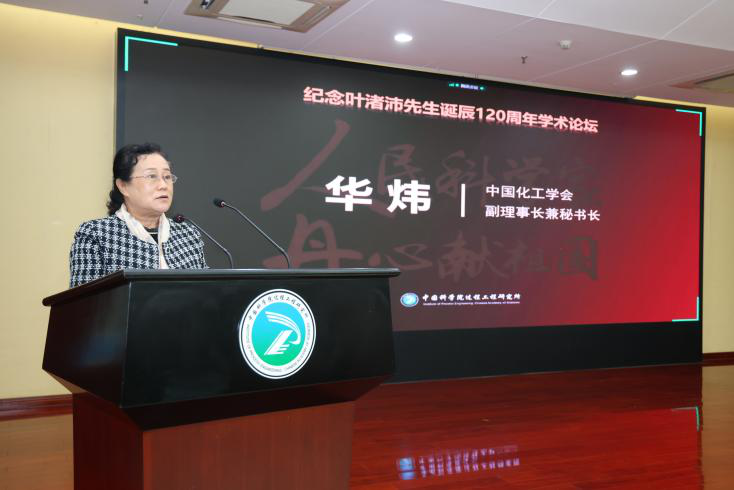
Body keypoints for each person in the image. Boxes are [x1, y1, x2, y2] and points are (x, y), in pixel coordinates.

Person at [69, 143, 207, 287]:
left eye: (167, 177)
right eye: (152, 176)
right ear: (123, 186)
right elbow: (85, 299)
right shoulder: (96, 234)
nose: (163, 185)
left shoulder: (188, 235)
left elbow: (205, 292)